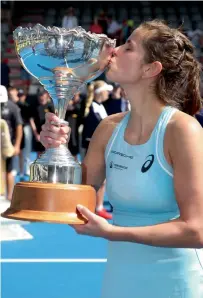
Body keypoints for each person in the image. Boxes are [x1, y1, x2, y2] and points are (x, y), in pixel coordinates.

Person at [40, 20, 203, 298]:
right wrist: (57, 150)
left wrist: (113, 232)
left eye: (129, 46)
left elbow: (196, 230)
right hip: (119, 282)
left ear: (151, 69)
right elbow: (74, 201)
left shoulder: (182, 130)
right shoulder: (108, 129)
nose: (113, 49)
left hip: (175, 282)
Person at [0, 85, 23, 201]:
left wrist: (17, 145)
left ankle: (10, 198)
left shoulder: (12, 107)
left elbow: (19, 126)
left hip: (8, 144)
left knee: (9, 170)